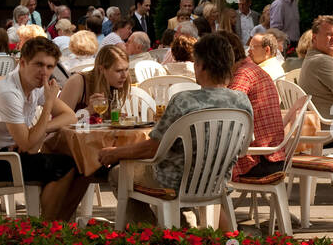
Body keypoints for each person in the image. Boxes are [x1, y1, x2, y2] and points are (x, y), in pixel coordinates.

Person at [97, 33, 252, 200]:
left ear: (200, 66)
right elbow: (244, 145)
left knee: (118, 174)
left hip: (173, 183)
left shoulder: (184, 101)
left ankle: (147, 226)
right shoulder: (242, 102)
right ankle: (180, 223)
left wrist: (115, 153)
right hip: (216, 183)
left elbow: (153, 148)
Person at [0, 36, 90, 220]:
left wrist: (40, 130)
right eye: (38, 64)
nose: (44, 72)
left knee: (84, 166)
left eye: (49, 67)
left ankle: (60, 222)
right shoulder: (8, 92)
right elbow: (28, 144)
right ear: (22, 63)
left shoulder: (34, 87)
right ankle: (47, 227)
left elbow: (69, 116)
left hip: (7, 154)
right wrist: (49, 103)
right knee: (64, 167)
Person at [219, 30, 285, 180]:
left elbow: (225, 114)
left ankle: (186, 201)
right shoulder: (251, 69)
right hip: (273, 156)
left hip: (259, 160)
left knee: (199, 159)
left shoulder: (243, 75)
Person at [60, 44, 130, 116]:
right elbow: (60, 119)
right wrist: (89, 110)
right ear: (101, 69)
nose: (124, 76)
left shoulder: (114, 85)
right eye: (118, 71)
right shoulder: (77, 82)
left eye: (126, 69)